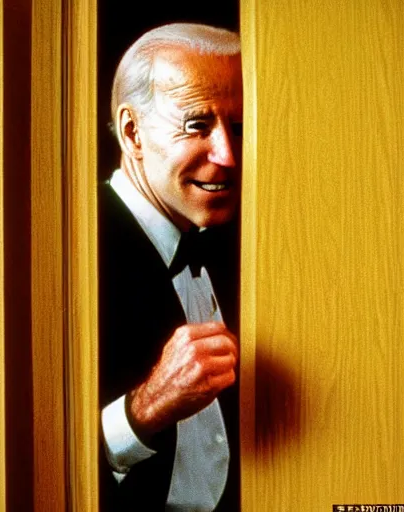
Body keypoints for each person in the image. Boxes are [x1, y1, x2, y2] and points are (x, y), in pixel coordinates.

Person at [99, 22, 242, 511]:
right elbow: (29, 463)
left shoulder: (230, 244)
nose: (227, 155)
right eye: (197, 125)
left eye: (239, 127)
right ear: (132, 132)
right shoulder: (73, 254)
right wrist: (146, 407)